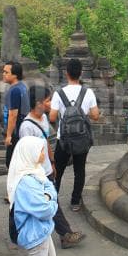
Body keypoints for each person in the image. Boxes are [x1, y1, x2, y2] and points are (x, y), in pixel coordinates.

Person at [19, 85, 86, 249]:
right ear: (38, 102)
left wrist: (53, 162)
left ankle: (63, 234)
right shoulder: (26, 127)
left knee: (50, 202)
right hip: (37, 173)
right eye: (48, 100)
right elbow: (28, 155)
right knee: (50, 203)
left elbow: (46, 141)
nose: (51, 103)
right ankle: (65, 234)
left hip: (47, 170)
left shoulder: (43, 119)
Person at [5, 136, 60, 256]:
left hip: (41, 228)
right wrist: (50, 200)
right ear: (30, 153)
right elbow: (45, 210)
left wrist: (48, 196)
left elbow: (51, 189)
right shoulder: (26, 182)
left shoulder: (34, 171)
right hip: (34, 231)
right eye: (41, 150)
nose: (44, 154)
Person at [50, 58, 99, 212]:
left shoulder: (59, 93)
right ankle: (75, 201)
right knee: (79, 170)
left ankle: (53, 200)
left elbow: (52, 117)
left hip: (63, 138)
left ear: (66, 73)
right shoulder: (88, 92)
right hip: (81, 138)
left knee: (58, 170)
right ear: (81, 73)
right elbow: (95, 115)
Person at [2, 61, 28, 168]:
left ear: (15, 75)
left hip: (16, 133)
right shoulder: (22, 86)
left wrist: (8, 136)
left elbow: (13, 115)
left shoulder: (15, 90)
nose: (3, 74)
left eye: (6, 72)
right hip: (21, 130)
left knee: (11, 164)